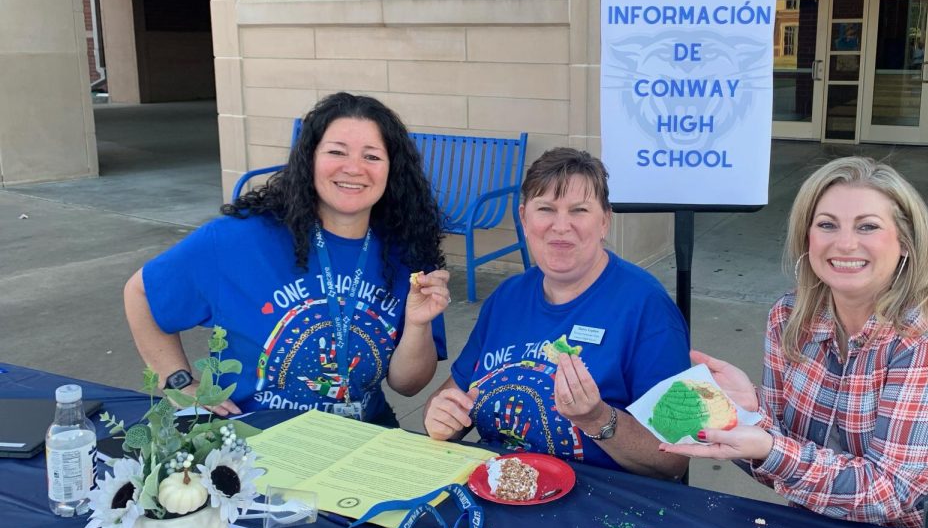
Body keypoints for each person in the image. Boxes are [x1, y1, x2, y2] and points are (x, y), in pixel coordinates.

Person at [661, 156, 928, 528]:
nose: (844, 244)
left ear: (906, 243)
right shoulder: (791, 317)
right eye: (827, 225)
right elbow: (784, 458)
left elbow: (889, 494)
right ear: (807, 239)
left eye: (867, 227)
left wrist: (769, 449)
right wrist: (747, 410)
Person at [123, 92, 450, 424]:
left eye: (372, 156)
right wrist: (178, 382)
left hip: (360, 442)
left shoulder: (407, 250)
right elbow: (141, 293)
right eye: (337, 151)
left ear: (392, 170)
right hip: (253, 443)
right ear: (309, 159)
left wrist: (418, 324)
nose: (353, 168)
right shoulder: (239, 240)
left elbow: (408, 385)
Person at [423, 148, 690, 479]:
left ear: (604, 221)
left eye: (579, 210)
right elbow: (454, 394)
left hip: (597, 505)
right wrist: (442, 418)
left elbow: (675, 458)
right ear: (524, 218)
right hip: (496, 490)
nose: (560, 226)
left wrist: (597, 419)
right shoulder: (506, 298)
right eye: (546, 209)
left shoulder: (648, 308)